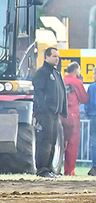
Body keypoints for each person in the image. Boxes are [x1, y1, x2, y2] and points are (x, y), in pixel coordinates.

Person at [32, 47, 68, 178]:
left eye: (58, 57)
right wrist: (42, 108)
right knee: (44, 141)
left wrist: (62, 110)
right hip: (45, 113)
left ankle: (50, 168)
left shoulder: (56, 73)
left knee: (52, 141)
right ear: (46, 57)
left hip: (55, 113)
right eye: (54, 56)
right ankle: (42, 169)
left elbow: (62, 92)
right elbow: (39, 92)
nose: (57, 59)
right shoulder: (42, 73)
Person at [60, 62, 89, 176]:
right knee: (72, 144)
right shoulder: (77, 82)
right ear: (76, 70)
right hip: (73, 115)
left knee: (59, 143)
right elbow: (84, 98)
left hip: (60, 115)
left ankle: (54, 167)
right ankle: (69, 171)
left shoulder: (61, 80)